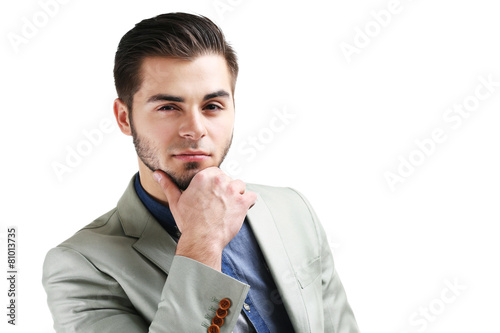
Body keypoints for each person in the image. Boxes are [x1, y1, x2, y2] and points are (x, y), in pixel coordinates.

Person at [42, 12, 360, 333]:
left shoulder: (292, 209)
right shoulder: (79, 266)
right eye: (168, 107)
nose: (195, 129)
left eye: (212, 106)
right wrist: (201, 244)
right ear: (124, 118)